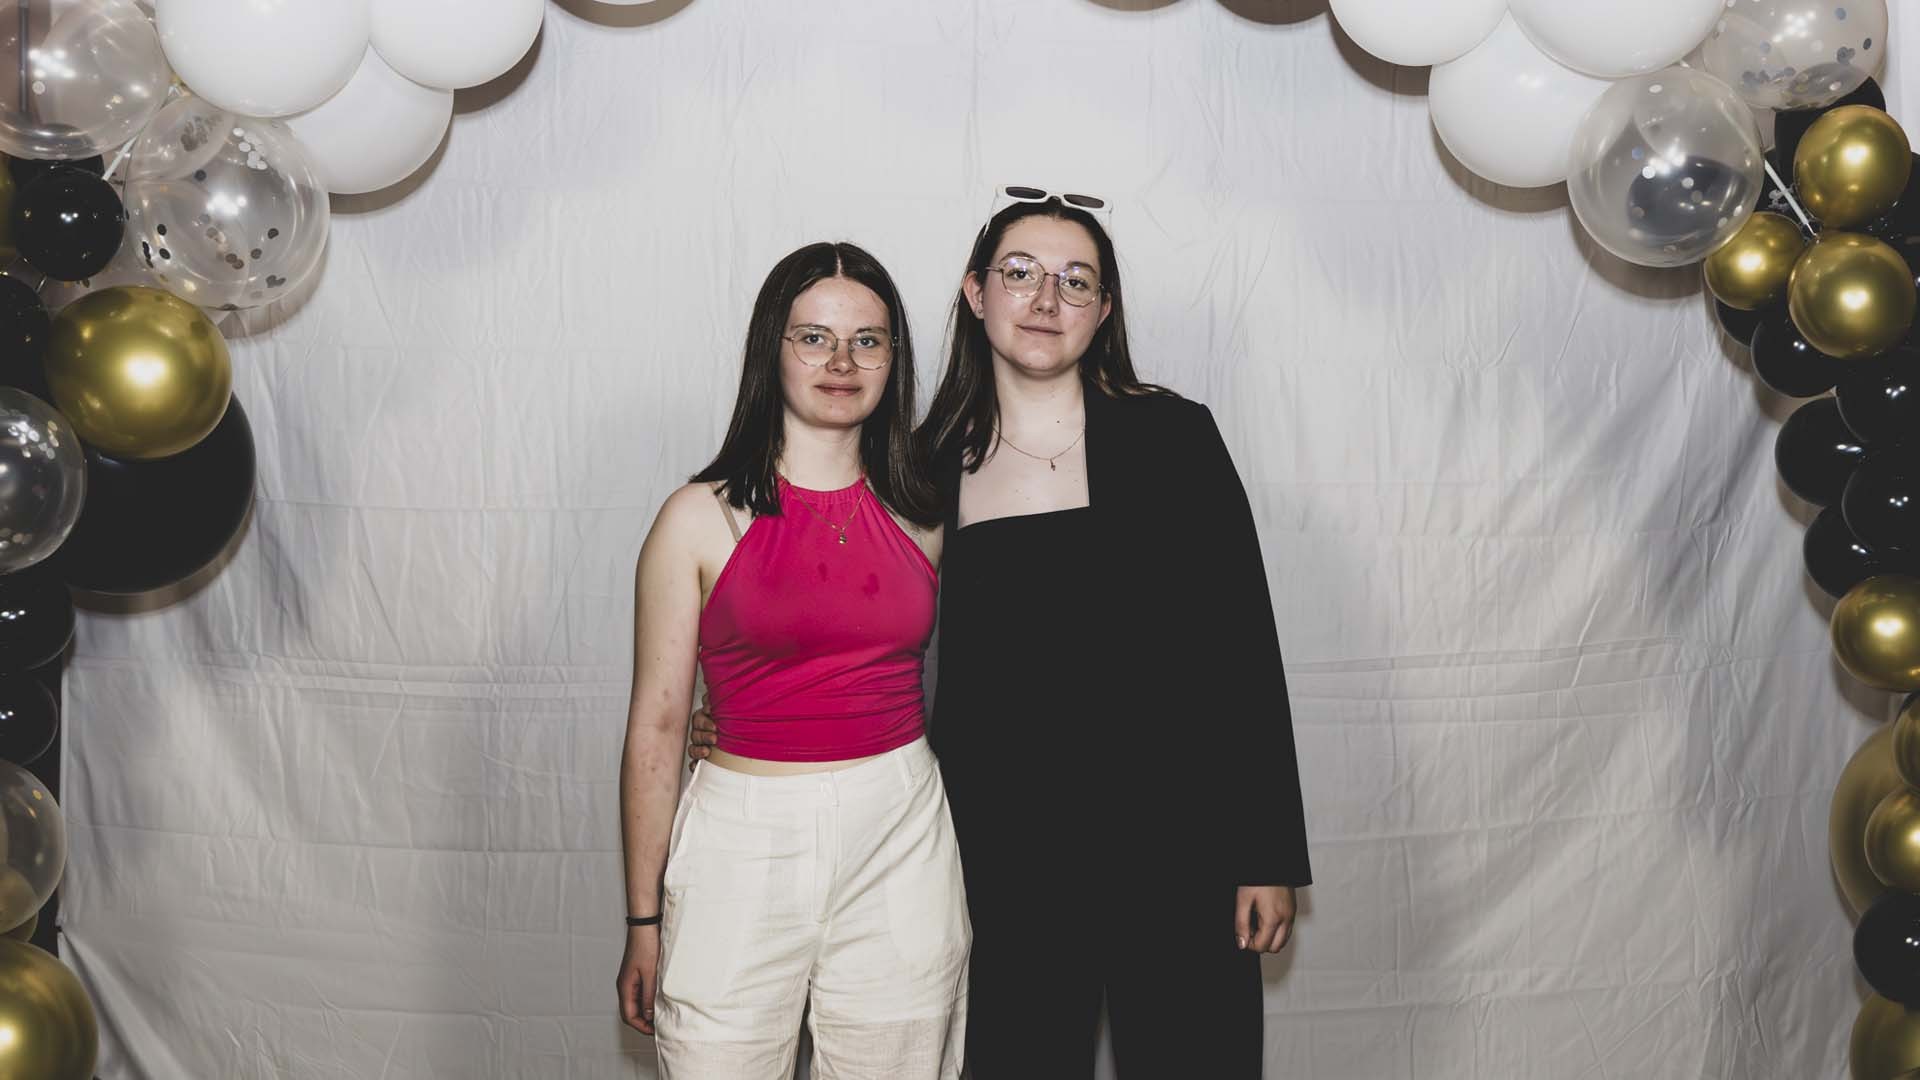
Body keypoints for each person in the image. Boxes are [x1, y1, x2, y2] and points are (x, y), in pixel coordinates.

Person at [693, 192, 1311, 1077]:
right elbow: (837, 627)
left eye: (1076, 281)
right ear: (976, 293)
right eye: (1020, 274)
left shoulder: (1175, 436)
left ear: (1104, 309)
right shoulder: (917, 468)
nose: (1046, 299)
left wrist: (1266, 853)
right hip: (1001, 856)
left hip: (1180, 845)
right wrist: (736, 717)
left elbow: (1242, 649)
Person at [616, 241, 970, 1079]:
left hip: (901, 830)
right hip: (743, 837)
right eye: (814, 337)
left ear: (894, 358)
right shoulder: (696, 518)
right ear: (770, 349)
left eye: (867, 340)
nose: (842, 362)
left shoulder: (929, 513)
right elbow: (657, 728)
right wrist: (643, 921)